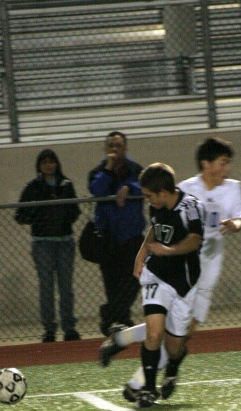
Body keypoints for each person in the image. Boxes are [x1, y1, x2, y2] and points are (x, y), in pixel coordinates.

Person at [99, 136, 241, 401]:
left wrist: (233, 225)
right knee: (160, 329)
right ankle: (139, 384)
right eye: (222, 162)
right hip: (172, 268)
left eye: (227, 163)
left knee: (179, 337)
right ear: (206, 163)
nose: (226, 168)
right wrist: (147, 251)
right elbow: (162, 223)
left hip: (205, 272)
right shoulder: (183, 189)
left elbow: (240, 219)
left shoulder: (232, 188)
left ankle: (121, 340)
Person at [132, 162, 205, 408]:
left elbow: (195, 240)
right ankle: (148, 389)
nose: (146, 200)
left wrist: (169, 250)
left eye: (149, 196)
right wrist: (141, 255)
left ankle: (172, 367)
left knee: (175, 347)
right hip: (157, 276)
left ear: (164, 192)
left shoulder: (191, 207)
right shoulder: (156, 205)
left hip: (184, 283)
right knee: (154, 333)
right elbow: (154, 229)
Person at [15, 148, 81, 343]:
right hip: (42, 243)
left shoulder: (66, 185)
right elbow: (21, 214)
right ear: (39, 166)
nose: (48, 165)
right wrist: (41, 216)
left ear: (57, 163)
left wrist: (62, 217)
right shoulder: (33, 187)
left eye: (52, 161)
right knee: (46, 287)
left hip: (65, 241)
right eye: (44, 162)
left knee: (66, 286)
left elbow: (74, 211)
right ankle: (49, 329)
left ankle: (69, 327)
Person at [88, 131, 146, 337]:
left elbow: (145, 187)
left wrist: (129, 187)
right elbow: (97, 190)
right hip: (108, 238)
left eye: (118, 145)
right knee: (111, 283)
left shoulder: (136, 170)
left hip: (132, 237)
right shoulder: (98, 171)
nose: (115, 149)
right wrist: (109, 170)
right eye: (111, 145)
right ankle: (121, 321)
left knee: (135, 278)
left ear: (125, 148)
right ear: (106, 149)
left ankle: (109, 314)